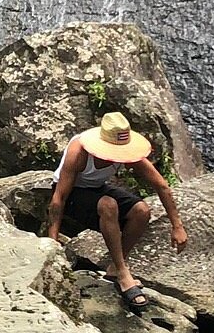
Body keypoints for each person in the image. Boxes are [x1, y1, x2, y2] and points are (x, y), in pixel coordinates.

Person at [47, 111, 187, 311]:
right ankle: (123, 273)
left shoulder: (125, 152)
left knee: (141, 210)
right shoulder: (79, 152)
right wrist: (52, 244)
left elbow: (161, 185)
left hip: (96, 189)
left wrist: (177, 226)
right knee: (108, 204)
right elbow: (59, 198)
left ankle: (115, 267)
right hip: (71, 194)